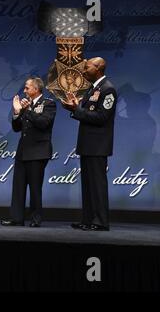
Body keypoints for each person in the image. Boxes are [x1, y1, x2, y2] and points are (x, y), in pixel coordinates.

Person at [62, 57, 117, 231]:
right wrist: (76, 107)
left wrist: (76, 110)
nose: (84, 71)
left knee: (97, 185)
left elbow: (102, 117)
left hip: (98, 146)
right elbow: (85, 112)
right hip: (87, 145)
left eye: (87, 68)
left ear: (99, 68)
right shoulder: (93, 89)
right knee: (87, 185)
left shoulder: (108, 89)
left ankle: (100, 221)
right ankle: (88, 219)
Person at [2, 77, 56, 227]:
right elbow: (17, 127)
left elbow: (43, 123)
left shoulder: (49, 104)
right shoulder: (25, 105)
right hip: (23, 151)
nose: (24, 90)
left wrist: (27, 110)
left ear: (36, 89)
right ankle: (16, 218)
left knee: (35, 187)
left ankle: (36, 219)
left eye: (27, 88)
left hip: (38, 152)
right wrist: (16, 112)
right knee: (18, 186)